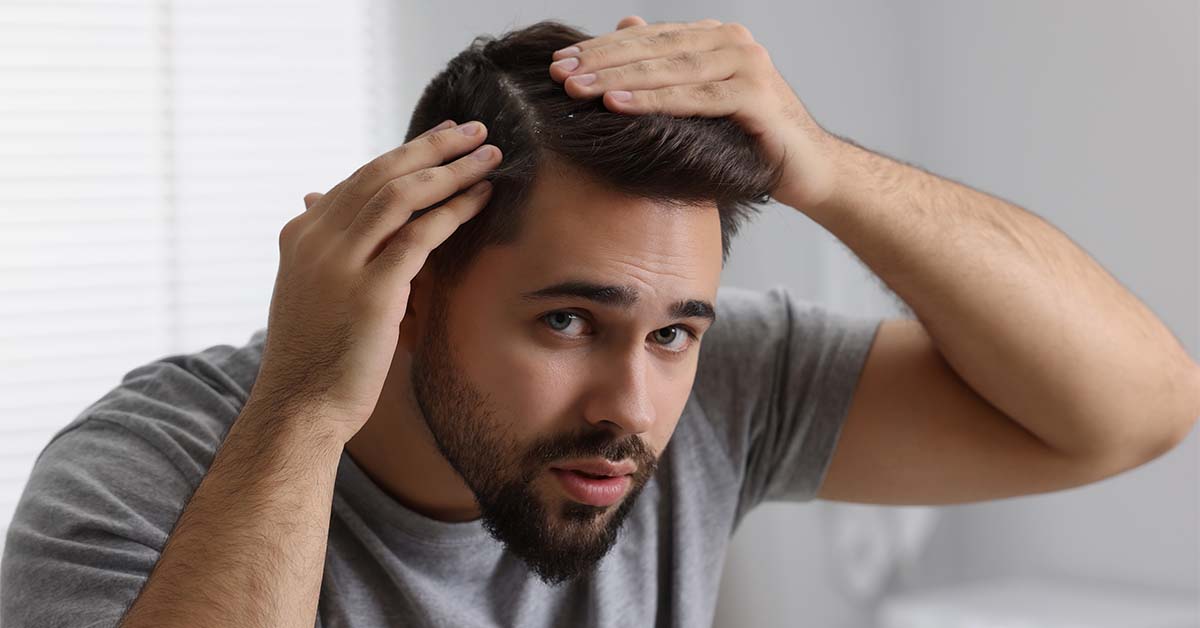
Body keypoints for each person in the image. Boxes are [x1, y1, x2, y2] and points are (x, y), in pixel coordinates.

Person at [3, 16, 1195, 628]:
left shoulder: (709, 390)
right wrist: (308, 407)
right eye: (570, 319)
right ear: (410, 291)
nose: (633, 407)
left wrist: (827, 171)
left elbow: (1135, 412)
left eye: (677, 329)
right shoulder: (147, 470)